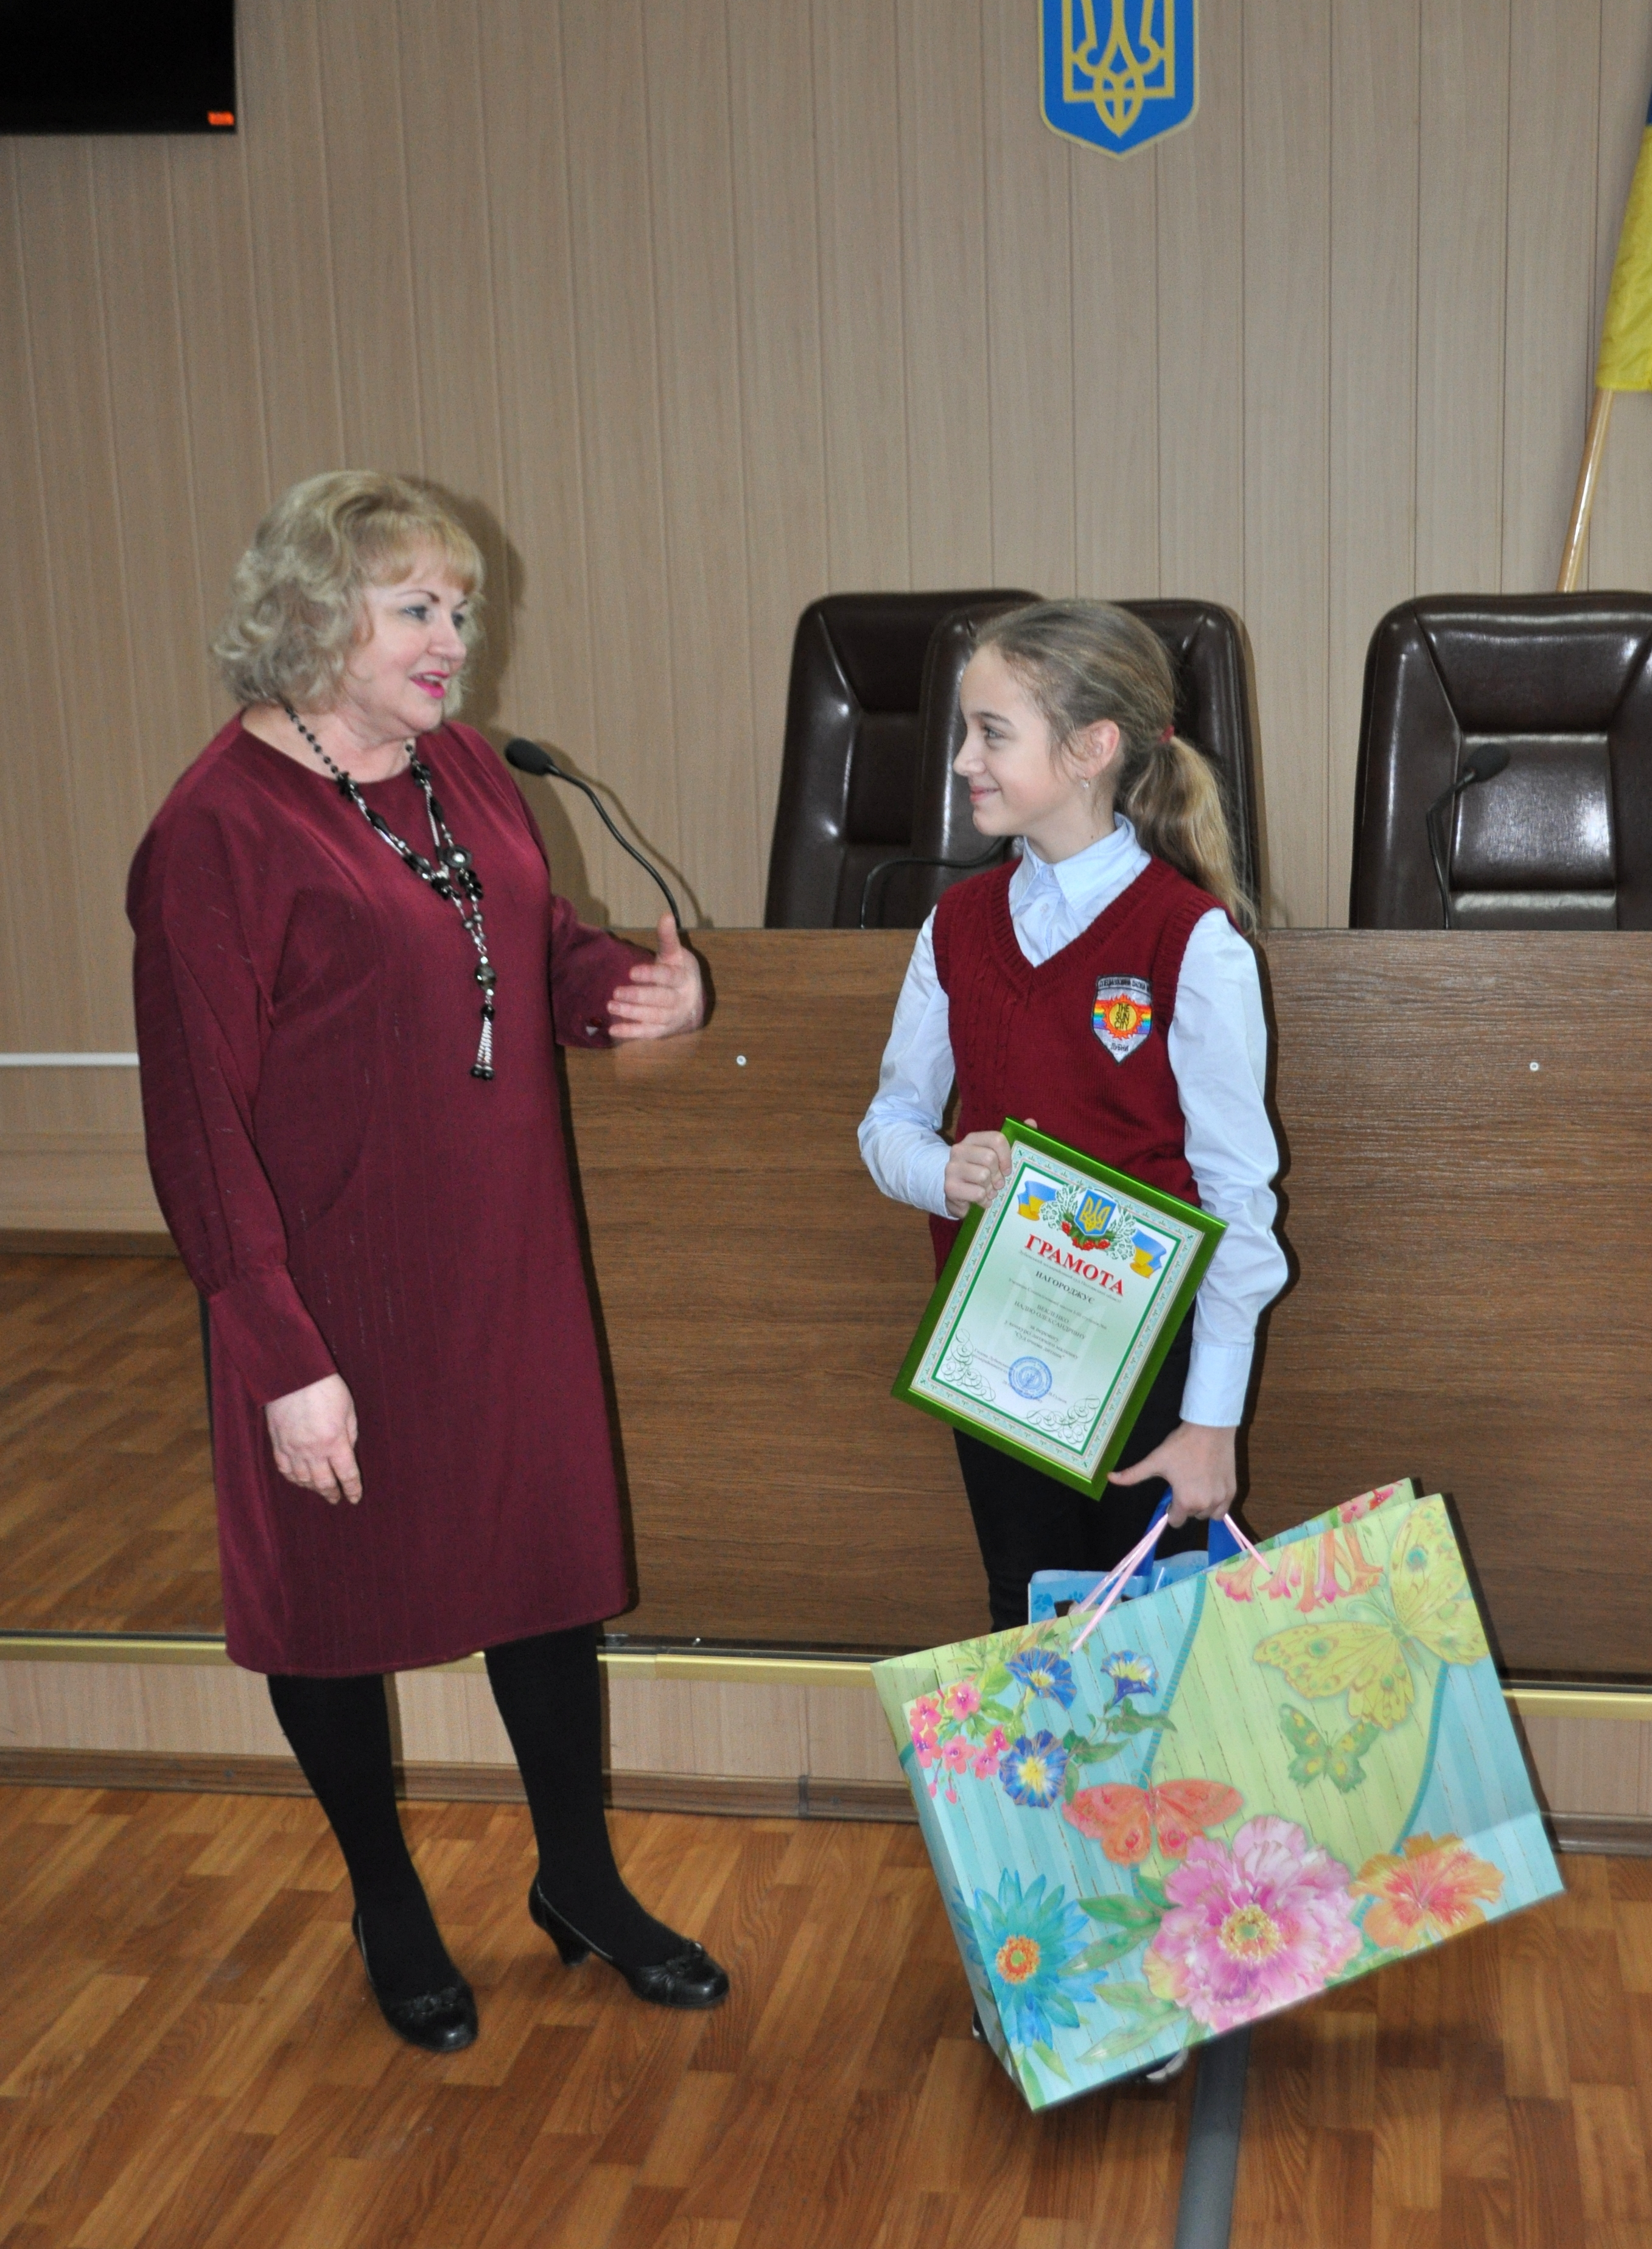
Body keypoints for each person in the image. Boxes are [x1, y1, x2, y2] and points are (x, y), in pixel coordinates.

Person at [128, 470, 728, 2053]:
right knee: (332, 1598)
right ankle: (386, 1898)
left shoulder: (459, 768)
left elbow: (521, 948)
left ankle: (579, 1881)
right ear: (314, 615)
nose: (453, 638)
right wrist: (280, 1355)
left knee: (543, 1578)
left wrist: (626, 991)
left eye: (458, 608)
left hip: (502, 1264)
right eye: (415, 609)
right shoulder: (216, 832)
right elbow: (197, 1128)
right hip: (330, 1293)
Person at [859, 600, 1288, 1633]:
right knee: (1030, 1624)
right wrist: (938, 1172)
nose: (962, 761)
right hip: (995, 1347)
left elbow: (1236, 1196)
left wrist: (1211, 1422)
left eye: (991, 734)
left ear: (1093, 748)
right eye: (964, 731)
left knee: (1157, 1639)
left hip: (1152, 1365)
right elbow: (890, 1121)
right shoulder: (954, 925)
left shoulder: (1190, 940)